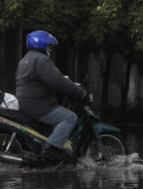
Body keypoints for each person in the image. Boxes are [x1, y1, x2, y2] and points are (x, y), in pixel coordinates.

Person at [15, 30, 89, 162]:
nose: (50, 49)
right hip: (38, 105)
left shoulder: (26, 59)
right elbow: (57, 80)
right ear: (42, 45)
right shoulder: (41, 60)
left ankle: (44, 148)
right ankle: (51, 150)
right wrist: (80, 92)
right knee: (70, 117)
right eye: (49, 46)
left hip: (26, 102)